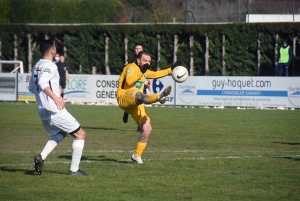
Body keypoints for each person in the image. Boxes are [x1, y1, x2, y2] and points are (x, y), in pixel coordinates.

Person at [29, 39, 87, 176]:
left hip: (42, 110)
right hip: (55, 109)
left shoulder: (36, 65)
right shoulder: (51, 66)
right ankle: (74, 170)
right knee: (80, 134)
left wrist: (43, 99)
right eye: (55, 48)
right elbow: (43, 83)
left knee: (61, 132)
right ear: (52, 51)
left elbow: (32, 87)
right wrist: (55, 98)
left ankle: (41, 157)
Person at [117, 50, 181, 164]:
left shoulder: (145, 71)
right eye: (145, 60)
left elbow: (156, 74)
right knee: (140, 95)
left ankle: (136, 155)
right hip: (124, 96)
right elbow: (130, 80)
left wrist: (171, 69)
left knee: (147, 128)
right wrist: (143, 72)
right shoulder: (131, 67)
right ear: (138, 60)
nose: (147, 63)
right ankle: (159, 97)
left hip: (136, 103)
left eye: (149, 61)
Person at [123, 43, 145, 132]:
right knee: (134, 103)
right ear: (134, 50)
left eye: (140, 48)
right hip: (131, 85)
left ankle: (140, 125)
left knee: (140, 104)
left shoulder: (145, 58)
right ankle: (127, 111)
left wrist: (149, 79)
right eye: (136, 48)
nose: (138, 50)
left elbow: (147, 70)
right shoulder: (130, 60)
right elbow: (124, 71)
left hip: (141, 83)